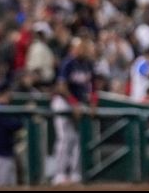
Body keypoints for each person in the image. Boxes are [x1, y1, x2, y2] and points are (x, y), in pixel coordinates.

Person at [51, 37, 96, 185]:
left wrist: (93, 104)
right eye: (79, 47)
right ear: (73, 49)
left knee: (79, 140)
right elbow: (61, 87)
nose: (83, 49)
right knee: (65, 139)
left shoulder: (88, 64)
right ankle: (59, 174)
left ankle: (76, 174)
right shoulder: (68, 63)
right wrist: (74, 104)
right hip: (63, 102)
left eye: (84, 47)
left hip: (79, 102)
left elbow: (94, 86)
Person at [0, 82, 24, 186]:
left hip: (6, 153)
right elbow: (14, 124)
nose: (10, 96)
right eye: (8, 93)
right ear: (1, 94)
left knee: (10, 185)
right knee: (1, 186)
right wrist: (26, 114)